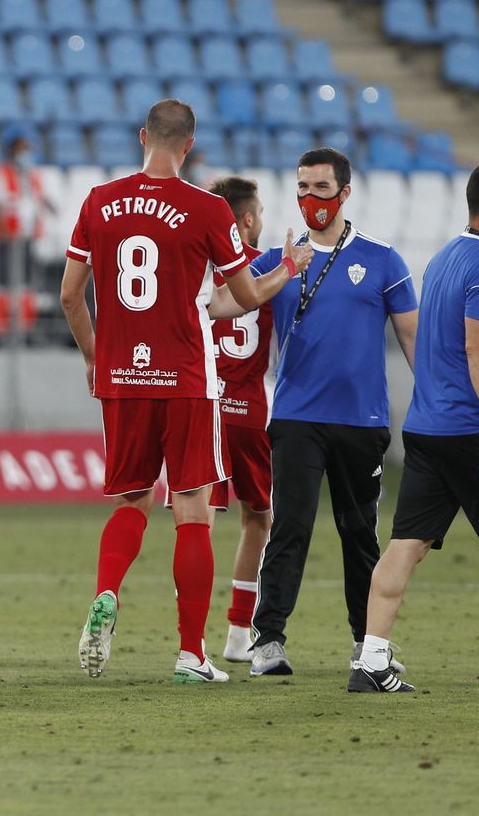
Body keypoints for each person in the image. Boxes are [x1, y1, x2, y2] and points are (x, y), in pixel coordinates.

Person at [60, 100, 310, 683]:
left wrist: (96, 359)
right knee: (193, 508)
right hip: (188, 379)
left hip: (123, 378)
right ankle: (192, 654)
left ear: (142, 137)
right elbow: (240, 298)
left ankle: (105, 594)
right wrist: (287, 271)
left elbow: (71, 296)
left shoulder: (98, 202)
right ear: (189, 146)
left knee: (132, 501)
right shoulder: (207, 209)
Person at [246, 148, 418, 677]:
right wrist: (280, 272)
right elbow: (227, 302)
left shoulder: (382, 257)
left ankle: (366, 644)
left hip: (362, 420)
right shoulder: (276, 258)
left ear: (345, 192)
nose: (310, 199)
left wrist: (435, 398)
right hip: (297, 416)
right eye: (302, 188)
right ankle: (268, 641)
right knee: (290, 527)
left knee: (358, 531)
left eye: (321, 188)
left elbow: (413, 336)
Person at [348, 161, 479, 694]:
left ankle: (371, 660)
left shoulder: (443, 257)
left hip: (427, 426)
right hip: (472, 428)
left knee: (406, 544)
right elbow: (477, 346)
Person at [205, 177, 276, 663]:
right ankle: (236, 633)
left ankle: (189, 638)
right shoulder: (268, 269)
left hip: (202, 407)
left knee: (197, 521)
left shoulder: (193, 266)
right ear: (247, 220)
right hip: (250, 409)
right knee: (259, 518)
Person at [0, 128, 55, 337]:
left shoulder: (31, 176)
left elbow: (38, 200)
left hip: (26, 238)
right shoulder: (1, 174)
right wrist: (8, 236)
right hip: (7, 240)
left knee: (25, 284)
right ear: (13, 149)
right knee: (3, 285)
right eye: (24, 148)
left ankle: (24, 328)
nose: (28, 152)